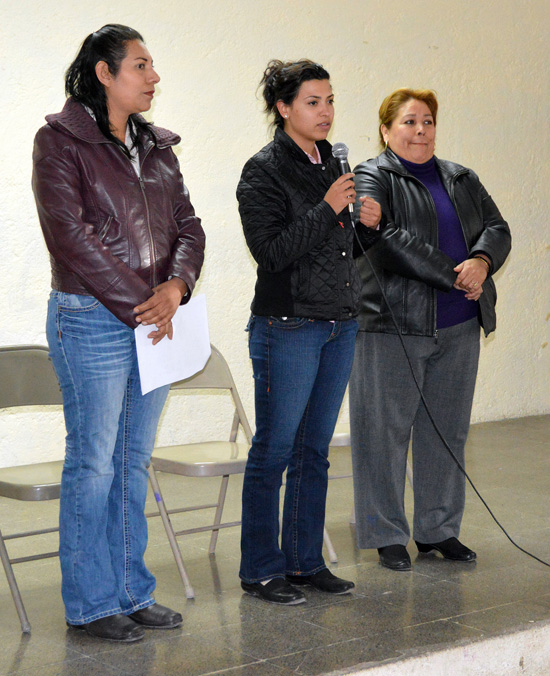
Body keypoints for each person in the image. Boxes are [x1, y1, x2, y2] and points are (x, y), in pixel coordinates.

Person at [32, 24, 205, 641]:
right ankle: (91, 606)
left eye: (152, 65)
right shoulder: (59, 142)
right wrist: (147, 302)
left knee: (131, 464)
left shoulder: (158, 148)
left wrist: (176, 288)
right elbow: (69, 237)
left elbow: (189, 226)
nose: (153, 76)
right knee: (94, 465)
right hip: (92, 320)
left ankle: (132, 592)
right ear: (104, 73)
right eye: (140, 65)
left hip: (152, 319)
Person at [236, 59, 380, 605]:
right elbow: (271, 253)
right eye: (313, 102)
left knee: (313, 451)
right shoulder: (263, 170)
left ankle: (304, 562)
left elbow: (339, 252)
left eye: (330, 101)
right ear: (284, 108)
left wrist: (368, 223)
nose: (325, 112)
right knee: (274, 450)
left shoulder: (334, 167)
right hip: (288, 324)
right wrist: (328, 209)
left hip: (339, 324)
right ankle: (260, 568)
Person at [349, 88, 511, 571]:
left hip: (460, 322)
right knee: (384, 434)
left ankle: (439, 530)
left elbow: (497, 226)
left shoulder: (460, 176)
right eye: (409, 122)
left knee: (447, 433)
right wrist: (455, 274)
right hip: (395, 324)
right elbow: (382, 239)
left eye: (428, 121)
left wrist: (481, 261)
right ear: (385, 129)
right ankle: (386, 534)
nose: (421, 131)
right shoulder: (369, 176)